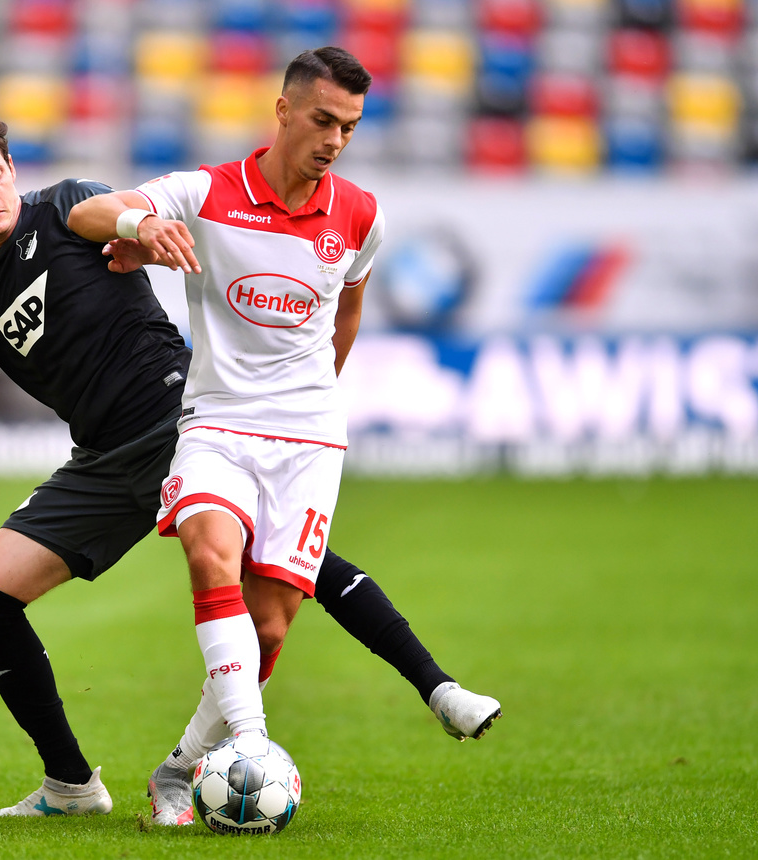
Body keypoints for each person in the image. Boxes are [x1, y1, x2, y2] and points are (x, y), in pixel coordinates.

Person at [0, 110, 500, 823]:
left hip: (180, 424)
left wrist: (141, 226)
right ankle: (71, 786)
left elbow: (111, 212)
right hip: (101, 463)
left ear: (12, 169)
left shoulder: (65, 207)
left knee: (294, 568)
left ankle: (436, 688)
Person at [67, 46, 498, 823]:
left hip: (307, 437)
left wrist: (312, 398)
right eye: (324, 120)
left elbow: (348, 310)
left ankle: (176, 774)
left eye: (350, 127)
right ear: (284, 110)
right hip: (217, 421)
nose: (335, 139)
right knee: (210, 552)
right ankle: (254, 745)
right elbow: (85, 214)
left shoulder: (360, 215)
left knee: (268, 627)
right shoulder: (207, 191)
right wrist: (143, 223)